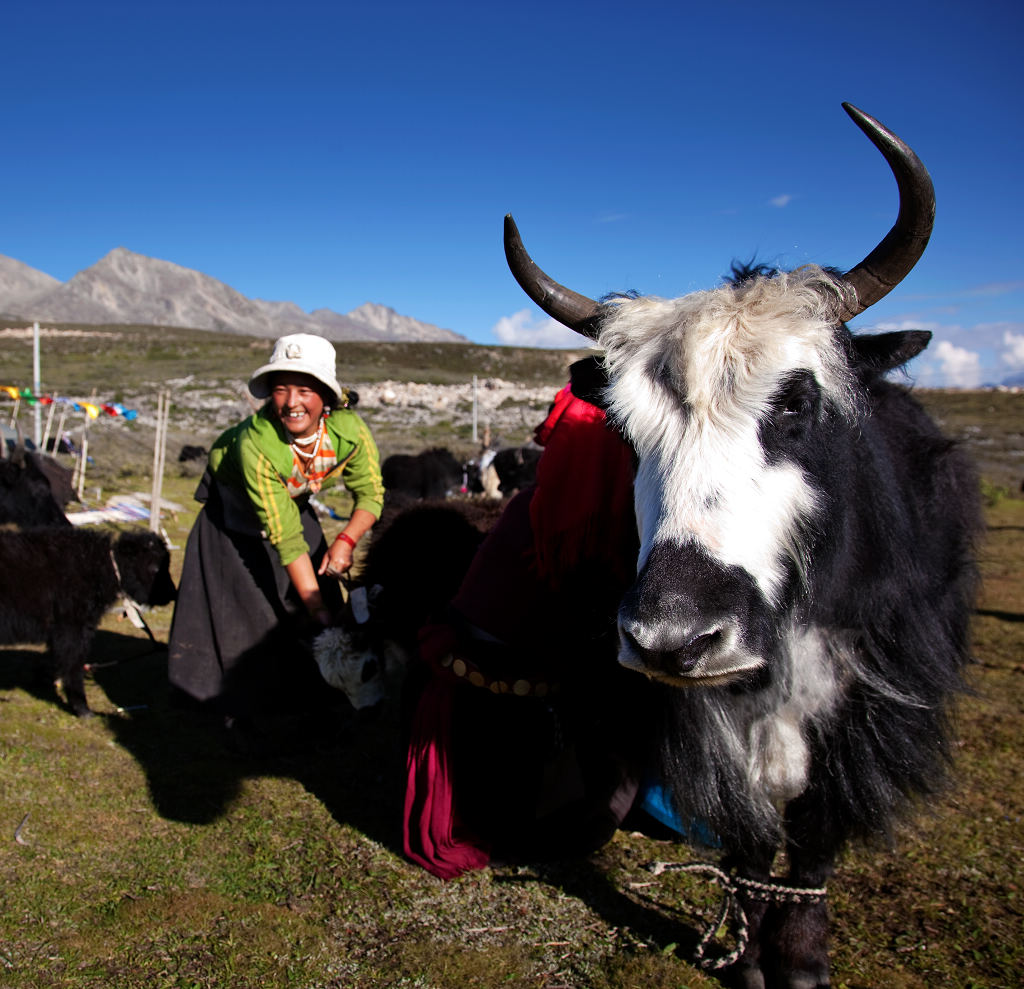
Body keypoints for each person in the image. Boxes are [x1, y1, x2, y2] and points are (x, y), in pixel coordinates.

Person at [167, 333, 385, 749]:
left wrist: (346, 539)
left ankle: (319, 701)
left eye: (304, 389)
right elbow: (286, 539)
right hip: (230, 514)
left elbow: (371, 494)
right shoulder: (258, 443)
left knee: (315, 594)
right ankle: (235, 709)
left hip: (290, 502)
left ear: (327, 396)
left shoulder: (348, 432)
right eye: (281, 389)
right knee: (248, 612)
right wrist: (318, 611)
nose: (291, 402)